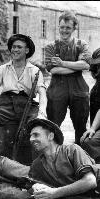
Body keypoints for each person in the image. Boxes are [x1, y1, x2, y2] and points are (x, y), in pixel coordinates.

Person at [0, 34, 47, 158]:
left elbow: (42, 93)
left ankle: (36, 162)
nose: (15, 50)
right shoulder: (2, 69)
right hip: (5, 104)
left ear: (27, 50)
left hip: (27, 104)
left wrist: (42, 112)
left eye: (19, 47)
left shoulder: (35, 71)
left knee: (38, 126)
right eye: (13, 47)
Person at [26, 118, 100, 199]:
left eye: (36, 135)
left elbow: (90, 181)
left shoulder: (71, 150)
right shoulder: (37, 164)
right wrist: (36, 187)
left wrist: (54, 193)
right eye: (30, 136)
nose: (31, 139)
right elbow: (32, 185)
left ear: (50, 136)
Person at [44, 11, 91, 145]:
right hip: (57, 87)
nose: (64, 30)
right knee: (53, 125)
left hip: (79, 88)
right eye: (62, 27)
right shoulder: (51, 46)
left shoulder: (81, 45)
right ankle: (53, 157)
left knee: (81, 126)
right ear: (58, 27)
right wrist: (76, 66)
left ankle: (80, 158)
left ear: (74, 28)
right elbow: (52, 69)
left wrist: (62, 63)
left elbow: (86, 65)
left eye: (68, 28)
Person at [80, 48, 100, 163]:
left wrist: (92, 128)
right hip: (97, 124)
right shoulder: (98, 82)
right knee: (87, 140)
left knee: (89, 142)